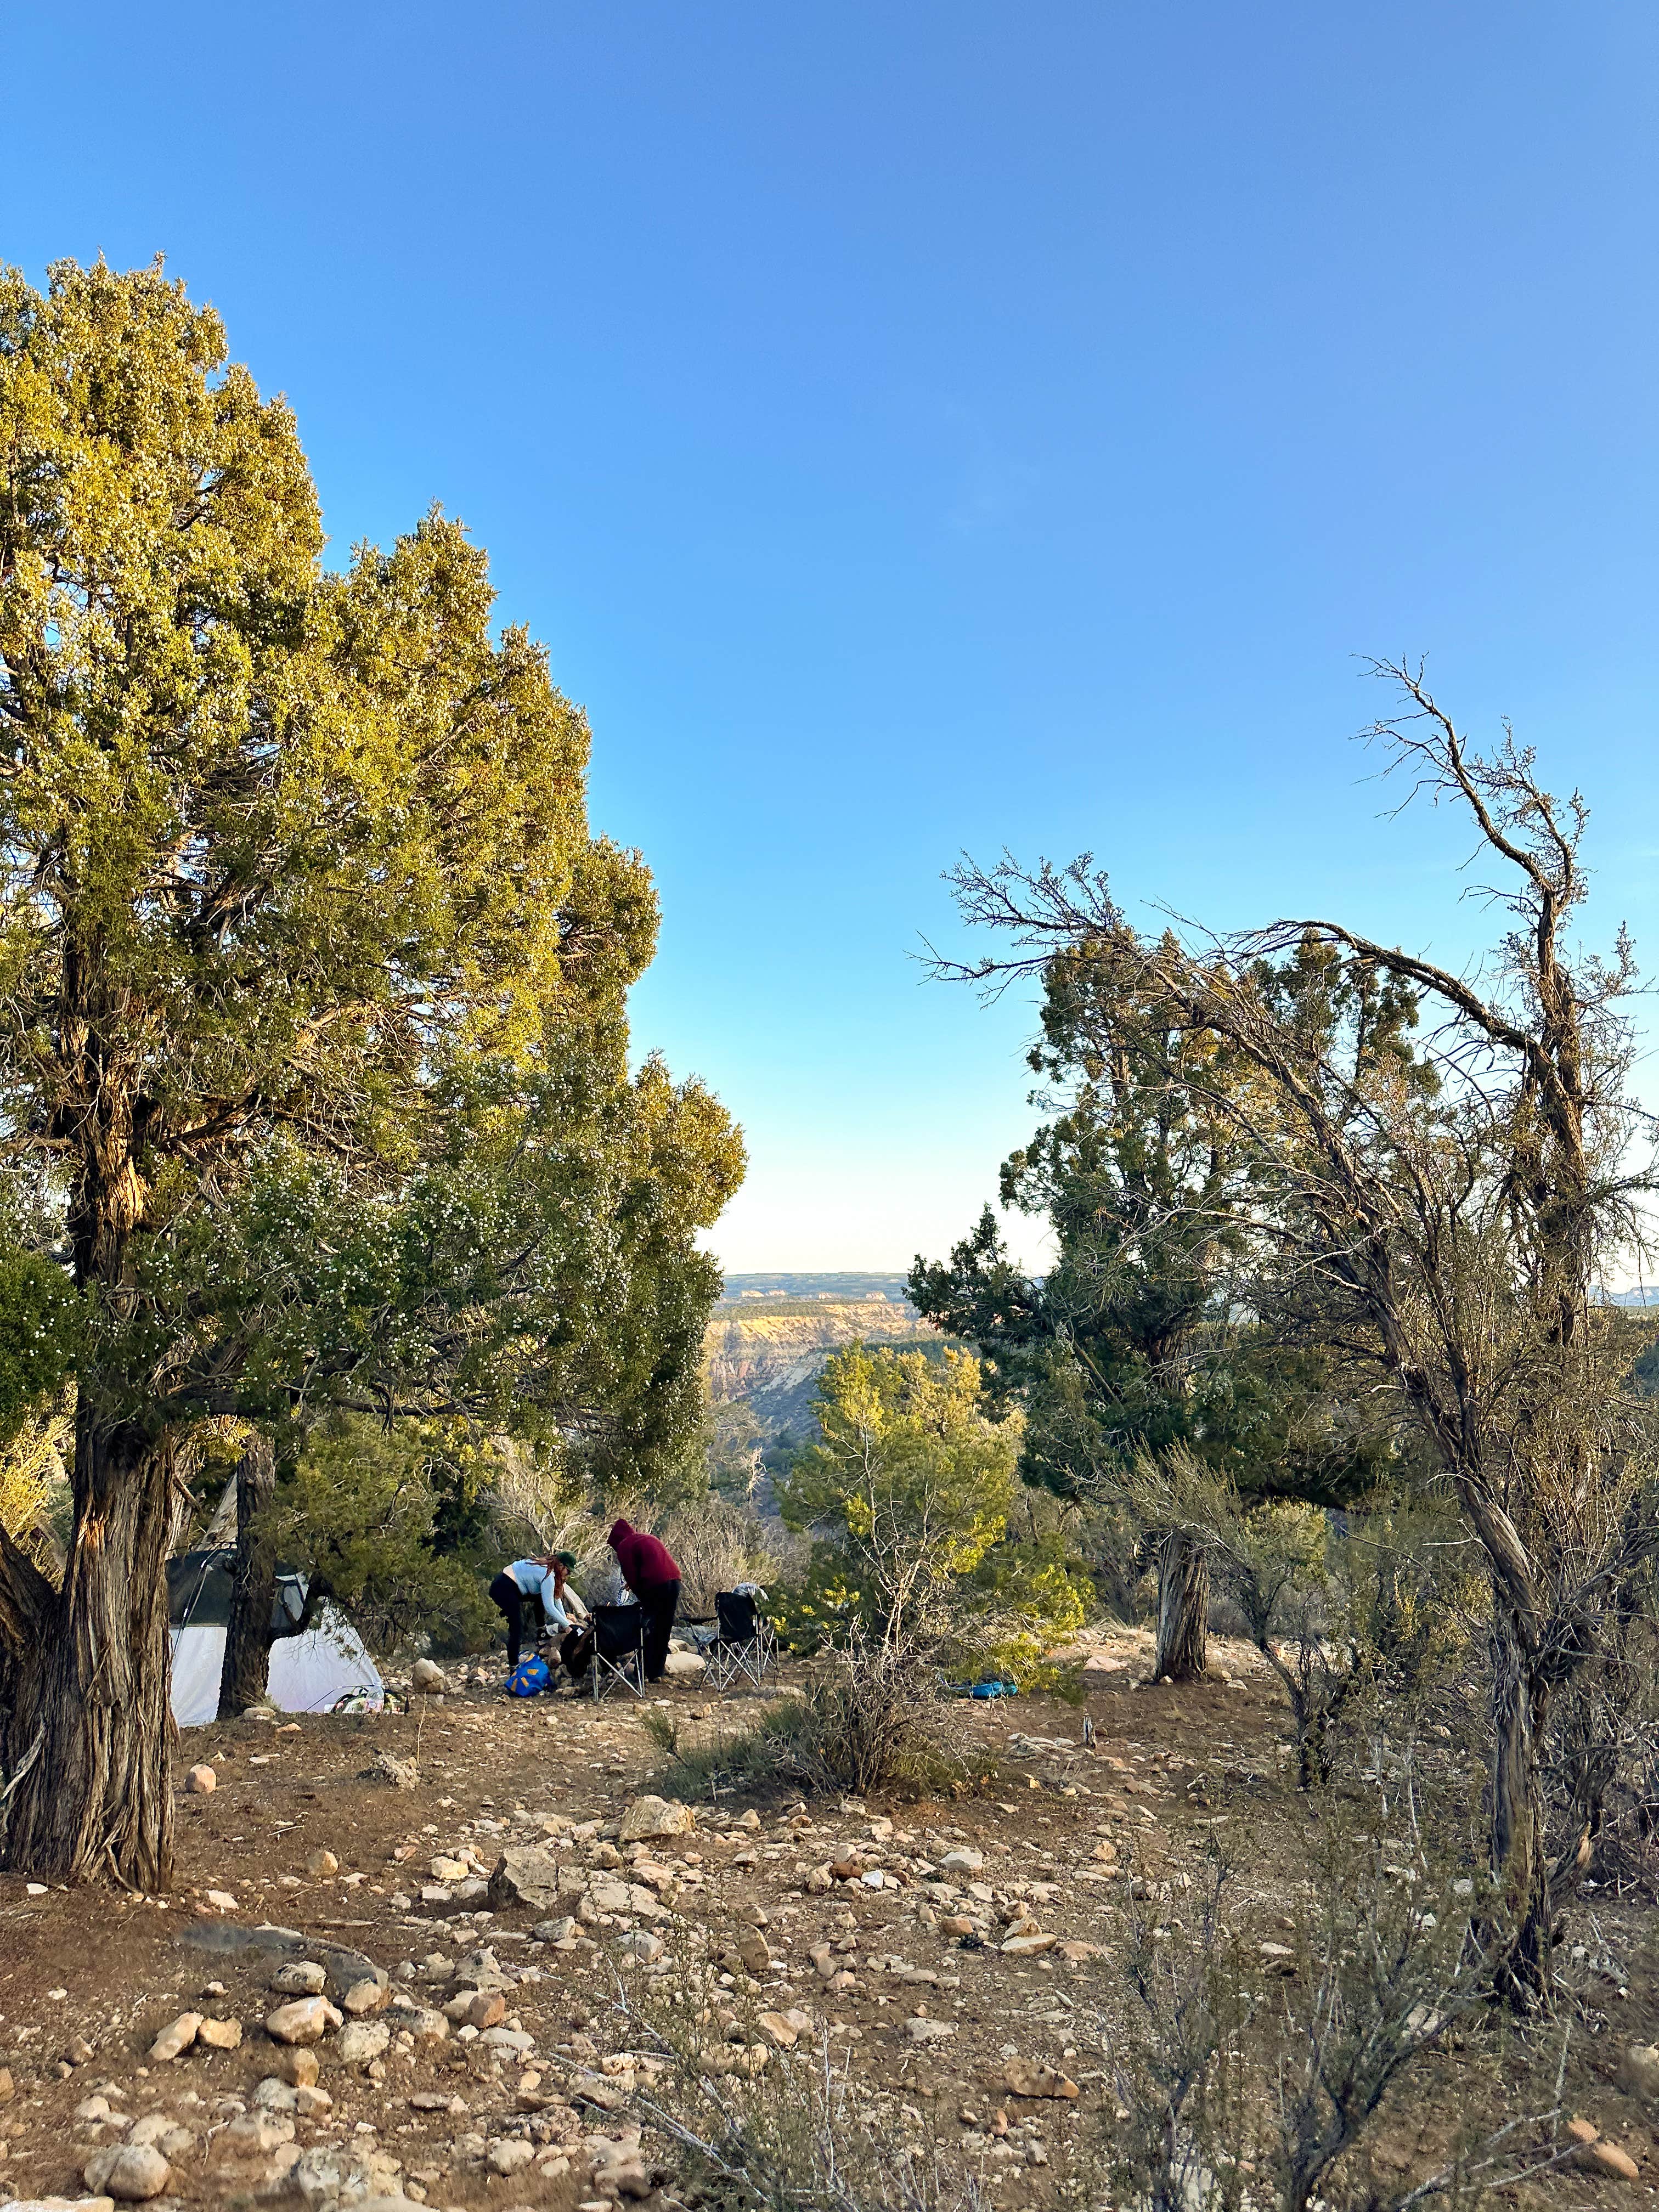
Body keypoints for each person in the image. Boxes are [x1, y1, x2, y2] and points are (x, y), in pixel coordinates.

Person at [607, 1517, 682, 1682]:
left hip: (656, 1584)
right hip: (674, 1581)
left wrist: (643, 1601)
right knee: (664, 1627)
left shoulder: (624, 1545)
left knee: (647, 1626)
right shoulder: (645, 1537)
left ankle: (643, 1672)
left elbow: (632, 1578)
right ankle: (657, 1672)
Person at [489, 1553, 583, 1673]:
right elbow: (549, 1607)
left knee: (540, 1596)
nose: (568, 1575)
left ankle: (542, 1631)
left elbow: (556, 1598)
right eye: (568, 1572)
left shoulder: (550, 1568)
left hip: (512, 1584)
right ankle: (514, 1666)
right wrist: (566, 1626)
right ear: (561, 1566)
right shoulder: (548, 1576)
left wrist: (565, 1620)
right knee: (517, 1627)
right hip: (503, 1587)